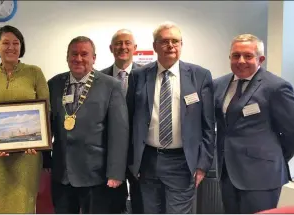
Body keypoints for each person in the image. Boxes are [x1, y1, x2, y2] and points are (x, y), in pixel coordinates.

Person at [126, 21, 215, 213]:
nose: (170, 46)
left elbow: (208, 125)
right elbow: (129, 121)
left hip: (182, 162)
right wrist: (132, 162)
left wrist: (203, 164)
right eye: (164, 41)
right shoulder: (138, 75)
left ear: (181, 45)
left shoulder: (200, 76)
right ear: (155, 46)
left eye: (175, 41)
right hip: (148, 160)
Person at [44, 36, 129, 214]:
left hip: (96, 175)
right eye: (74, 54)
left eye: (84, 54)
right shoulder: (54, 84)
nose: (79, 59)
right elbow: (46, 126)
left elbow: (119, 133)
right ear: (67, 57)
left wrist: (116, 172)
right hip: (63, 174)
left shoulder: (111, 85)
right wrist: (44, 159)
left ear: (94, 58)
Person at [213, 34, 294, 214]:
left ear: (261, 59)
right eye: (236, 55)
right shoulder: (218, 85)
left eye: (248, 56)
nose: (241, 61)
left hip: (262, 175)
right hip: (227, 172)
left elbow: (291, 133)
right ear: (230, 58)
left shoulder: (276, 87)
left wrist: (271, 157)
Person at [0, 25, 50, 213]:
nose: (11, 47)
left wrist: (38, 139)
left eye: (16, 43)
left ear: (21, 46)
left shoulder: (35, 72)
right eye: (5, 43)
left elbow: (46, 110)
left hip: (28, 154)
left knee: (25, 203)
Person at [99, 29, 143, 213]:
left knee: (141, 205)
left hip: (140, 155)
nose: (122, 47)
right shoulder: (99, 78)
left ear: (135, 48)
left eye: (127, 43)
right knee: (112, 206)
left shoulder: (146, 76)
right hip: (109, 155)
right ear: (111, 48)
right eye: (118, 43)